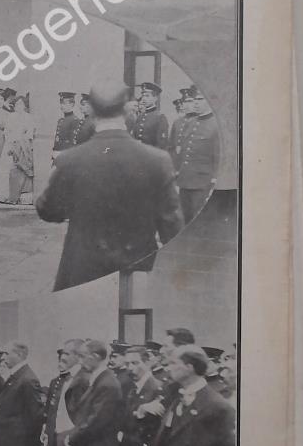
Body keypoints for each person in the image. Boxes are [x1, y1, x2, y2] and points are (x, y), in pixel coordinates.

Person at [36, 79, 184, 291]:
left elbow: (48, 210)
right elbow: (172, 226)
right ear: (125, 109)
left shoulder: (70, 159)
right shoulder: (158, 160)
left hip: (82, 268)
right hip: (136, 267)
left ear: (93, 110)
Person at [174, 87, 220, 223]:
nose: (195, 103)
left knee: (198, 222)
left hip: (203, 183)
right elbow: (183, 153)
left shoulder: (216, 125)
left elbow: (218, 157)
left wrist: (215, 182)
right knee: (184, 220)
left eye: (200, 99)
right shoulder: (190, 123)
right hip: (185, 180)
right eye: (194, 100)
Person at [1, 95, 35, 204]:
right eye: (16, 104)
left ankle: (21, 196)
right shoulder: (11, 117)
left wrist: (23, 141)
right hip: (11, 143)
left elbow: (30, 132)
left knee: (22, 169)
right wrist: (11, 142)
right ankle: (7, 195)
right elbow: (6, 131)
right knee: (9, 168)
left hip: (23, 145)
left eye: (21, 104)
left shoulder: (29, 117)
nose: (18, 106)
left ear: (25, 105)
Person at [132, 81, 169, 149]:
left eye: (147, 96)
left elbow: (161, 144)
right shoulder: (140, 117)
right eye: (143, 95)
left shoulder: (160, 117)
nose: (144, 99)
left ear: (155, 98)